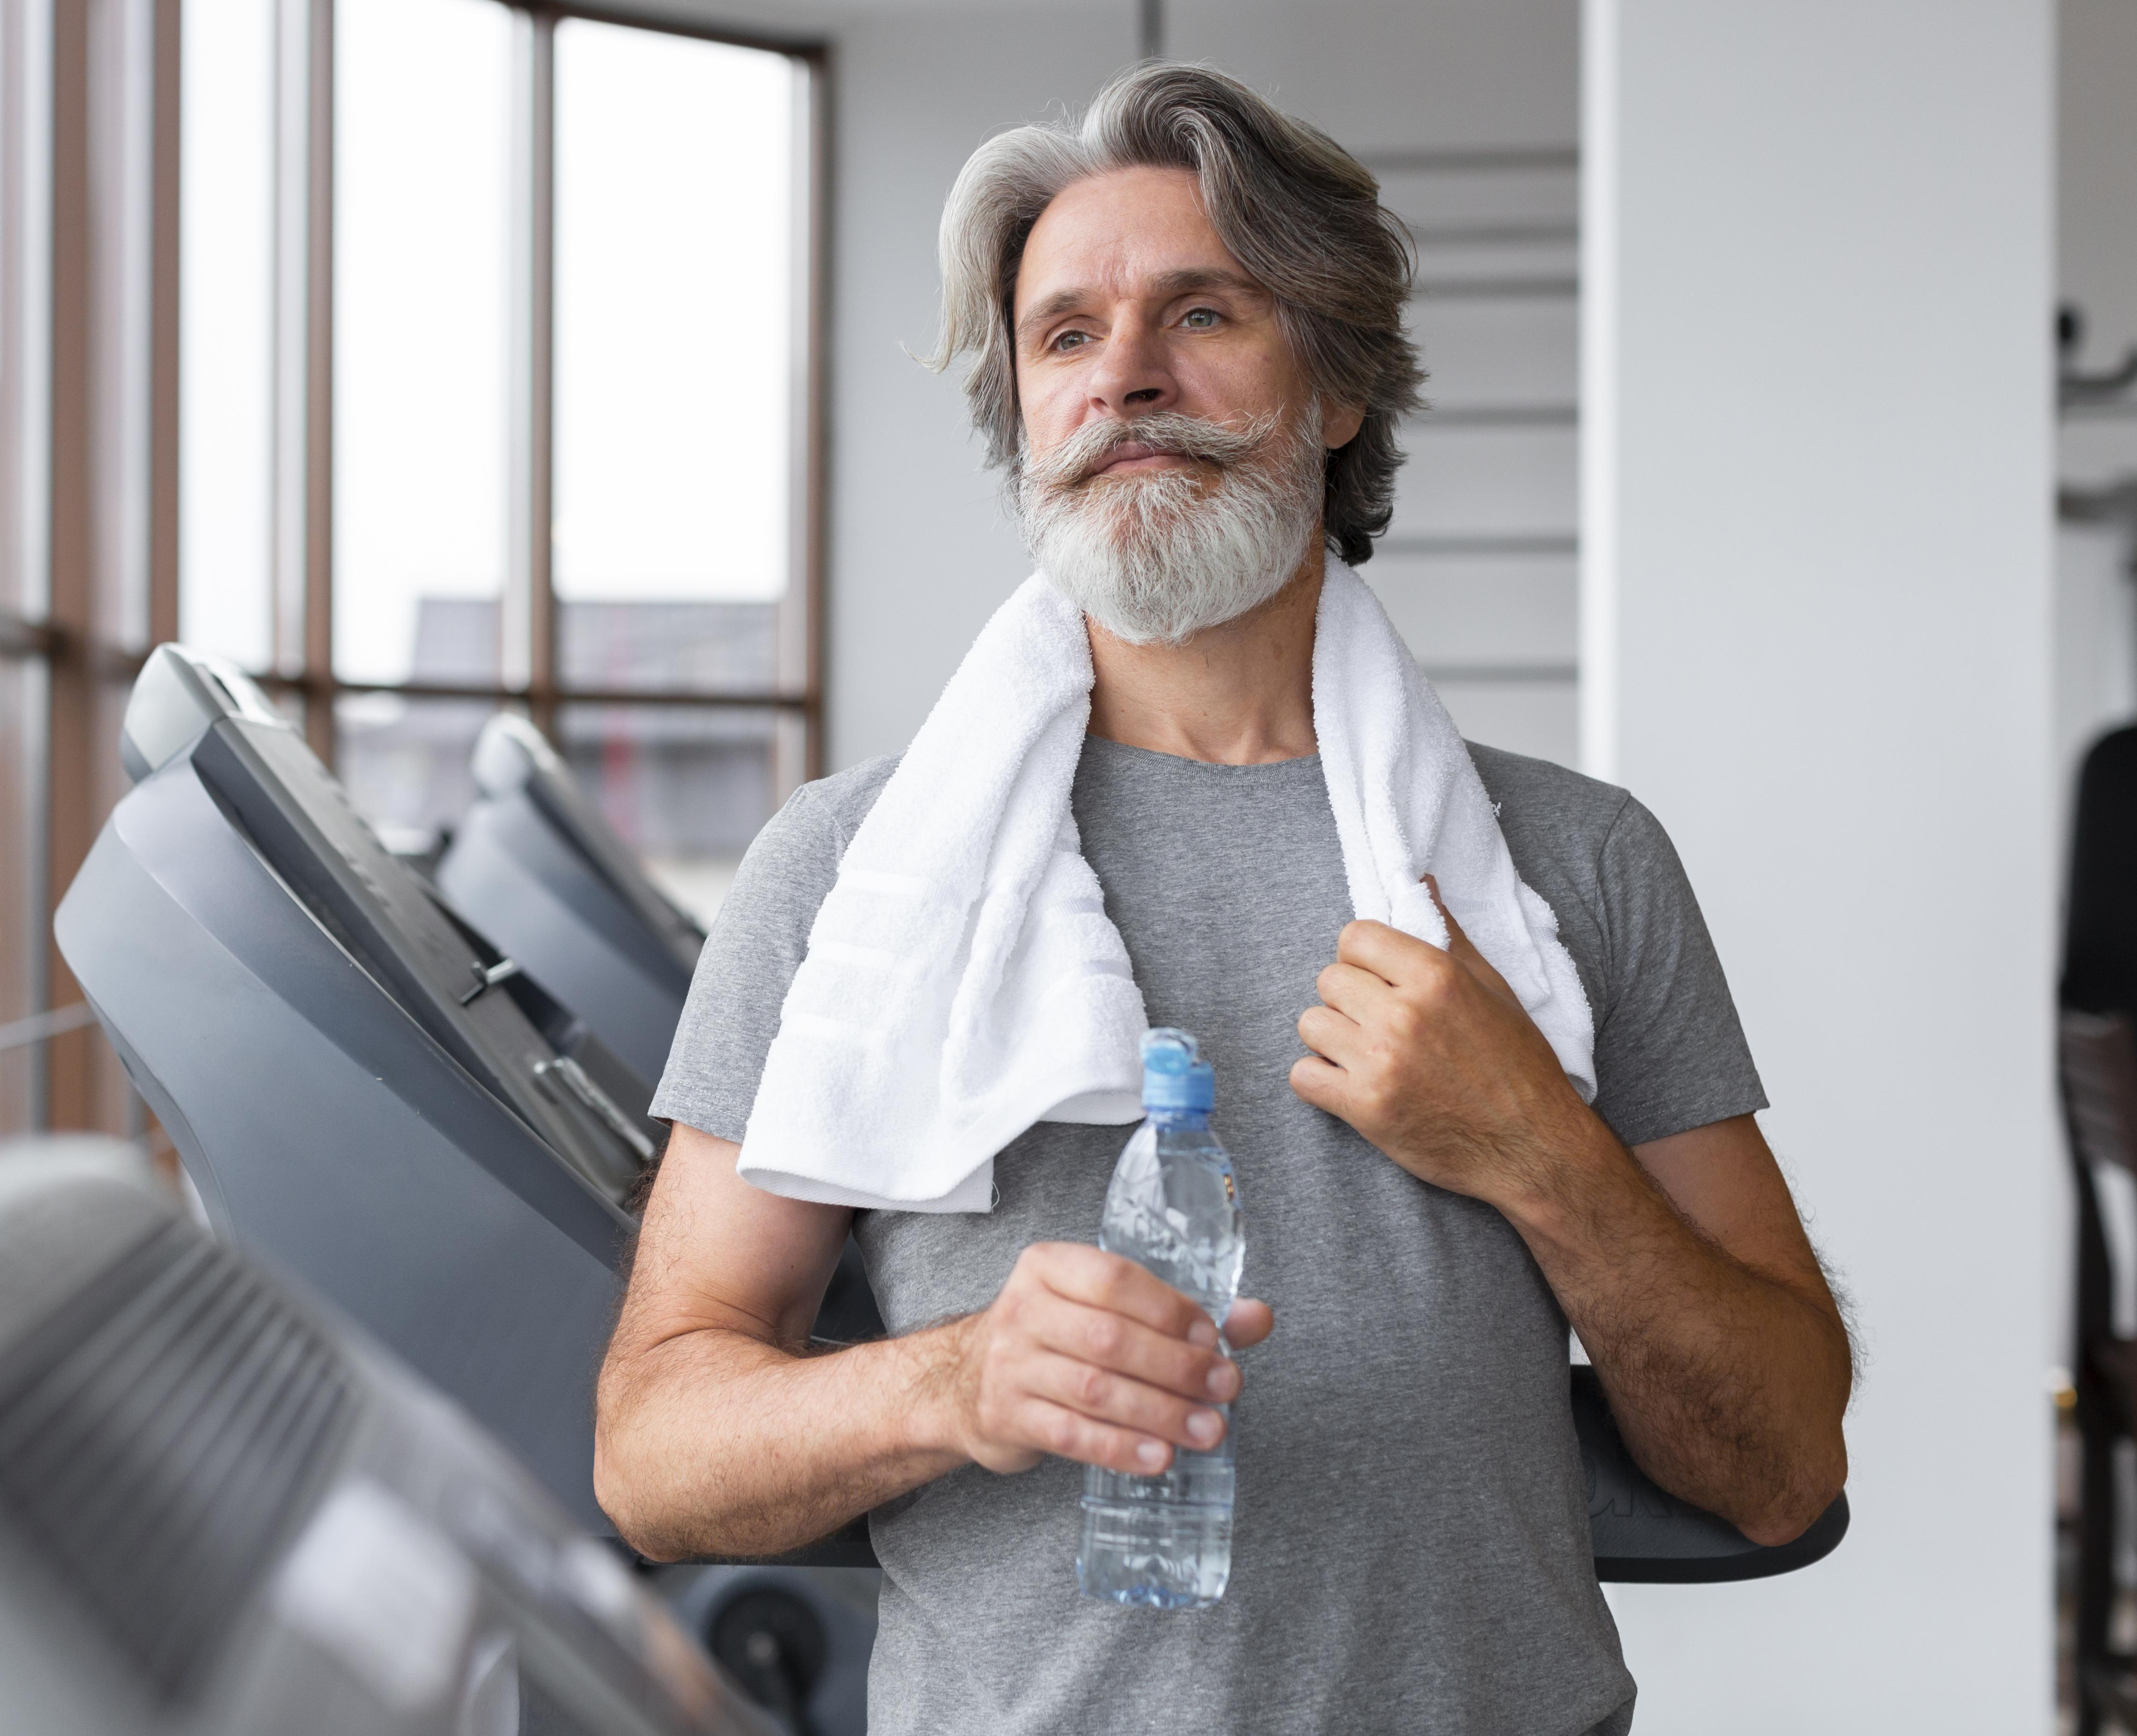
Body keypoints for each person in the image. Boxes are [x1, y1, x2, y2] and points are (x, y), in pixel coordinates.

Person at [595, 62, 1851, 1736]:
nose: (1124, 376)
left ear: (1333, 390)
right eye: (1064, 336)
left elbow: (1779, 1465)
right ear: (1028, 421)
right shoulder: (845, 875)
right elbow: (651, 1458)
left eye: (1201, 313)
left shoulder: (1571, 861)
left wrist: (1538, 1145)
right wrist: (955, 1382)